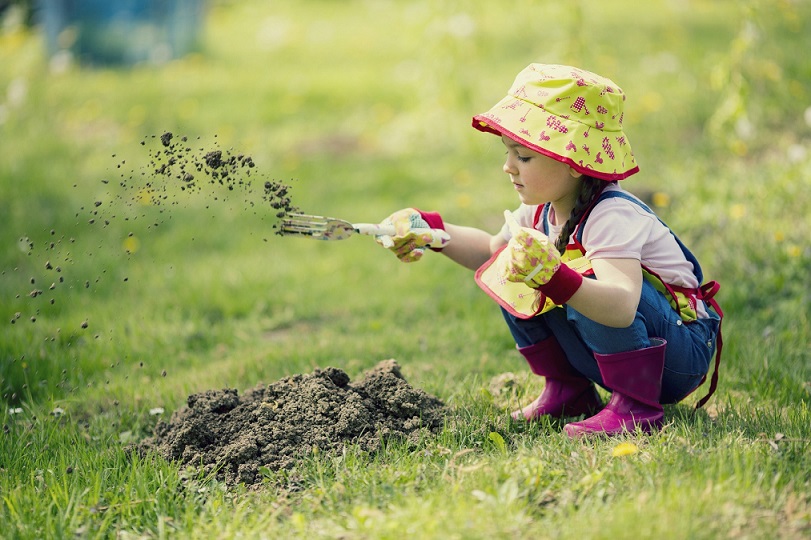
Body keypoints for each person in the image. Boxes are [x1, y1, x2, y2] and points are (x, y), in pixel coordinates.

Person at [376, 63, 723, 437]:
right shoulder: (540, 208)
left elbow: (621, 306)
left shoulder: (611, 215)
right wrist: (431, 230)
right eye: (509, 153)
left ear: (575, 161)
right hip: (629, 347)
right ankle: (568, 390)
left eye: (523, 157)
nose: (508, 167)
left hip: (677, 355)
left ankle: (636, 406)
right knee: (510, 262)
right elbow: (490, 251)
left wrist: (555, 278)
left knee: (578, 272)